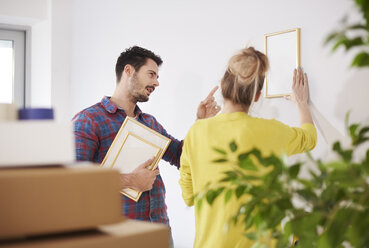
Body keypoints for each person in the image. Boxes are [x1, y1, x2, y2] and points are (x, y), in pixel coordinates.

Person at [179, 47, 317, 248]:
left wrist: (201, 123)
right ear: (257, 95)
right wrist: (302, 102)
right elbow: (310, 138)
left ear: (222, 86)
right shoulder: (272, 131)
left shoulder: (196, 132)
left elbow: (189, 197)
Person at [72, 46, 220, 228]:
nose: (156, 83)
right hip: (118, 235)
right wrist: (130, 181)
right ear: (128, 71)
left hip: (159, 230)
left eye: (157, 77)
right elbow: (74, 182)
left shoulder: (149, 123)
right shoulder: (88, 120)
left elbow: (181, 156)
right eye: (151, 74)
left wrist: (201, 123)